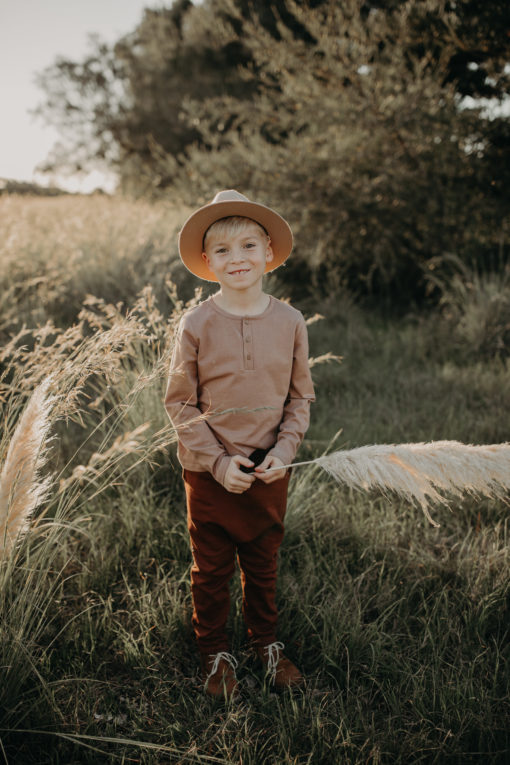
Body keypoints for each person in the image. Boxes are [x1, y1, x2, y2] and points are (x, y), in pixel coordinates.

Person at [164, 189, 315, 699]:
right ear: (207, 262)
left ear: (269, 252)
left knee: (262, 561)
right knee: (210, 568)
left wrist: (285, 452)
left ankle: (265, 643)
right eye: (223, 251)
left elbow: (299, 400)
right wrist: (216, 460)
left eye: (249, 245)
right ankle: (214, 652)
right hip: (208, 473)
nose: (238, 259)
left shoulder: (291, 321)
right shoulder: (196, 323)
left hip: (269, 469)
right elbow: (180, 405)